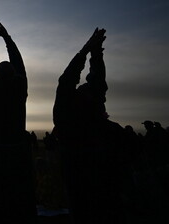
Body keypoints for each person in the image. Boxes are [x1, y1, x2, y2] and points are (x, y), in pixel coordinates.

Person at [52, 28, 128, 224]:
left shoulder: (66, 114)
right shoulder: (94, 117)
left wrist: (88, 50)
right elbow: (93, 80)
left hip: (81, 168)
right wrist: (94, 52)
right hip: (98, 166)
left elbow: (68, 80)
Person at [0, 21, 36, 223]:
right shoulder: (19, 87)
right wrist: (5, 37)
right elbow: (18, 62)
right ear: (13, 75)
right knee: (18, 200)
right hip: (15, 151)